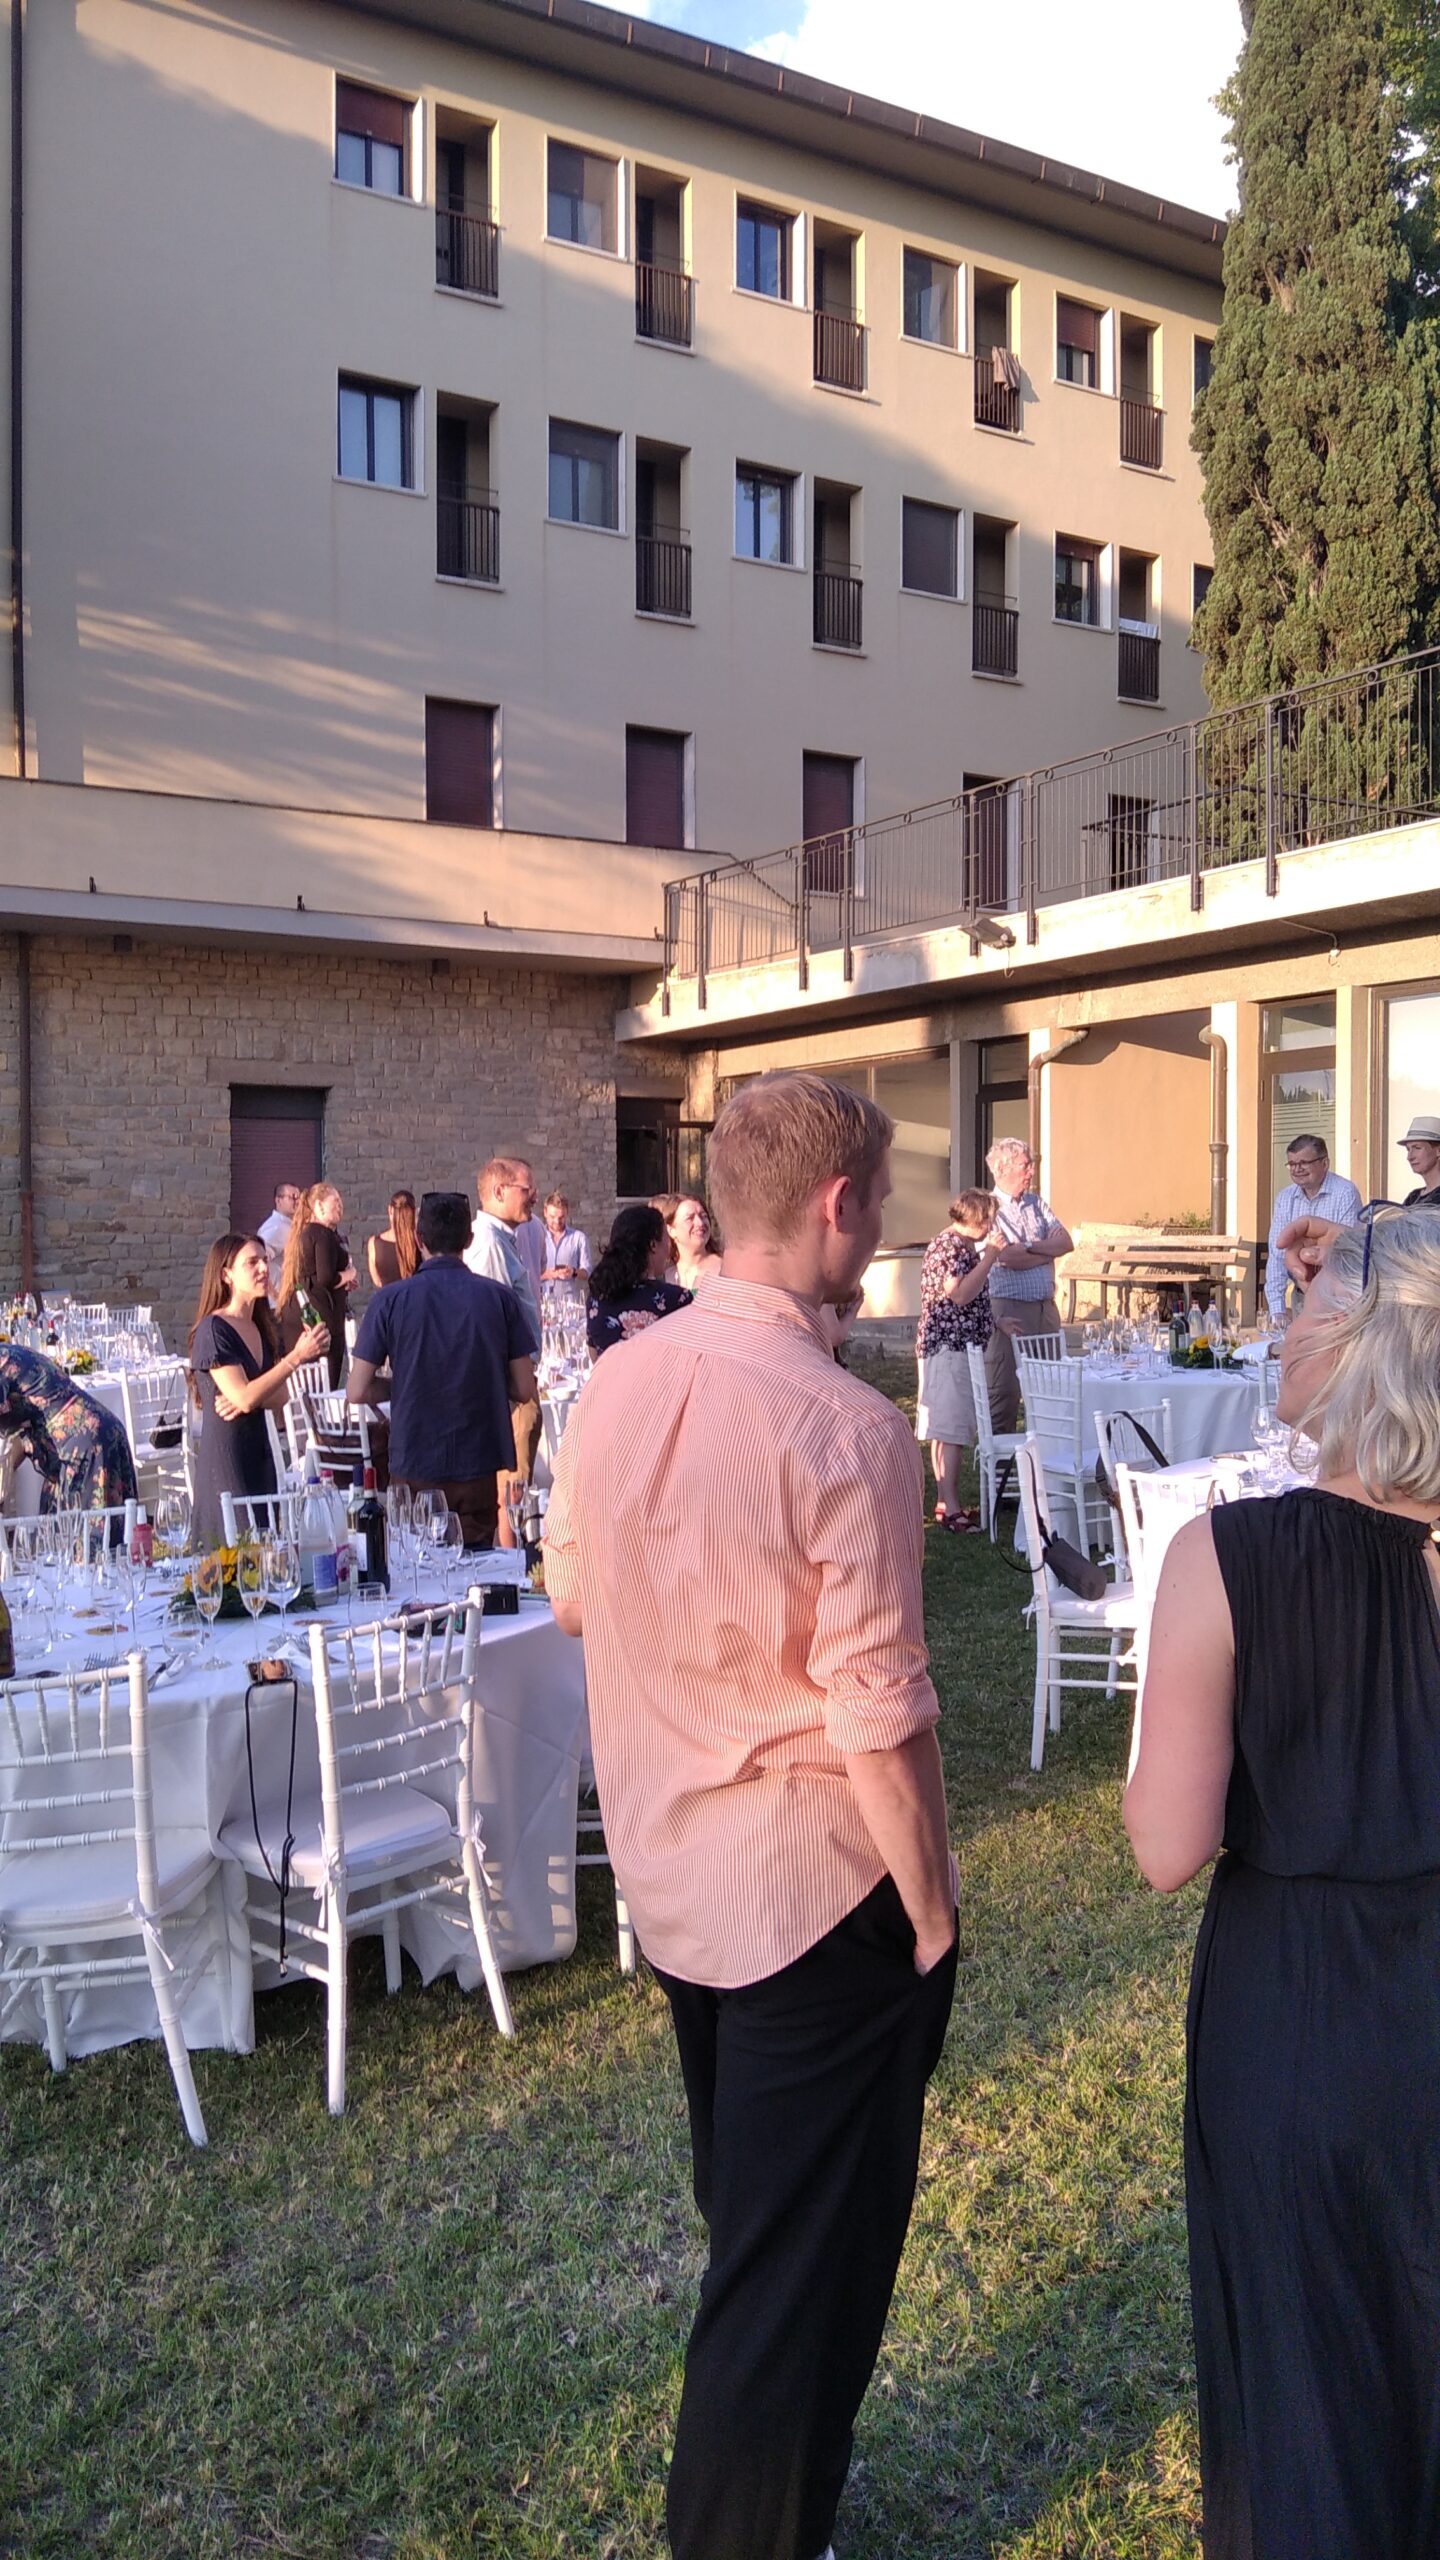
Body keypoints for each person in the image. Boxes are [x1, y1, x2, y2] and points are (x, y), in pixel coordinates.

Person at [546, 1069, 957, 2560]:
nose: (885, 1228)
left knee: (762, 2228)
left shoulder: (618, 1381)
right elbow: (880, 1715)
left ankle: (784, 2518)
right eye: (882, 1200)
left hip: (674, 1876)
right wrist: (935, 1915)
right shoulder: (848, 1428)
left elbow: (571, 1593)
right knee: (794, 2278)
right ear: (836, 1206)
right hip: (814, 1897)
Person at [1124, 1207, 1440, 2558]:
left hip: (1297, 2010)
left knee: (1306, 2380)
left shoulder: (1226, 1556)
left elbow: (1164, 1846)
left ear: (1364, 1343)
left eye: (1307, 1306)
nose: (1283, 1330)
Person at [348, 1191, 537, 1550]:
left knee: (417, 1563)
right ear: (469, 1239)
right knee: (475, 1562)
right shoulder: (500, 1298)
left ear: (418, 1238)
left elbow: (357, 1390)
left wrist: (405, 1384)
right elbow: (524, 1388)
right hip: (477, 1457)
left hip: (415, 1454)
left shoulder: (389, 1300)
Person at [189, 1233, 329, 1548]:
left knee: (265, 1552)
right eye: (252, 1262)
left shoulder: (260, 1325)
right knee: (233, 1552)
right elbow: (245, 1396)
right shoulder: (214, 1330)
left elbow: (279, 1397)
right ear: (226, 1275)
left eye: (265, 1260)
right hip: (226, 1461)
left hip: (259, 1455)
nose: (264, 1268)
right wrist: (295, 1358)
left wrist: (250, 1396)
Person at [915, 1188, 1004, 1532]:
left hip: (957, 1345)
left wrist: (996, 1322)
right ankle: (951, 1508)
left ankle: (945, 1502)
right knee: (950, 1428)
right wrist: (991, 1256)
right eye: (989, 1219)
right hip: (948, 1347)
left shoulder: (961, 1247)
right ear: (978, 1218)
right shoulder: (949, 1247)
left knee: (947, 1428)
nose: (992, 1225)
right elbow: (960, 1293)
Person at [463, 1156, 543, 1508]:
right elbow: (492, 1324)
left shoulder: (502, 1238)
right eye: (527, 1189)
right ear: (499, 1191)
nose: (534, 1197)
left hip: (515, 1383)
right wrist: (514, 1387)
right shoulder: (489, 1244)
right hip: (510, 1388)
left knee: (516, 1484)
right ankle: (511, 1544)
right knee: (512, 1488)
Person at [981, 1137, 1074, 1433]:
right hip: (1010, 1312)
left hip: (1045, 1311)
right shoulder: (988, 1209)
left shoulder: (1037, 1203)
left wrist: (1030, 1247)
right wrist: (1045, 1251)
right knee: (1004, 1391)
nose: (1031, 1171)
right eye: (1025, 1165)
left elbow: (1065, 1242)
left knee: (1053, 1391)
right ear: (1003, 1168)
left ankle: (1049, 1454)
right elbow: (1007, 1257)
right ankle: (1002, 1458)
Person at [0, 1345, 138, 1521]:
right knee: (60, 1532)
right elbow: (24, 1430)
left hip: (84, 1449)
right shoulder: (8, 1353)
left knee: (85, 1532)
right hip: (95, 1436)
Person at [1263, 1134, 1361, 1321]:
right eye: (1292, 1164)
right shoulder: (1285, 1198)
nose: (1297, 1169)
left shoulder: (1345, 1192)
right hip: (1301, 1295)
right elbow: (1277, 1254)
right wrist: (1277, 1311)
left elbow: (1346, 1249)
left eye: (1303, 1163)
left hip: (1338, 1297)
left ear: (1324, 1163)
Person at [276, 1182, 356, 1391]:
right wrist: (349, 1274)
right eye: (335, 1201)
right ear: (319, 1206)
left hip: (302, 1313)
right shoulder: (322, 1233)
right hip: (319, 1317)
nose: (340, 1206)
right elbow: (326, 1278)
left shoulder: (305, 1233)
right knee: (324, 1383)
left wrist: (344, 1282)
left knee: (305, 1385)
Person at [586, 1206, 691, 1358]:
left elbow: (594, 1356)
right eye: (666, 1239)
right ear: (653, 1245)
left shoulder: (597, 1298)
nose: (669, 1246)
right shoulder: (677, 1300)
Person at [653, 1192, 724, 1294]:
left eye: (703, 1216)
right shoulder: (662, 1274)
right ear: (671, 1230)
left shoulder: (725, 1269)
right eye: (690, 1218)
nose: (700, 1223)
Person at [366, 1189, 420, 1291]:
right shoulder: (420, 1242)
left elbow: (377, 1281)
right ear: (413, 1213)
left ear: (390, 1210)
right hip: (414, 1298)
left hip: (388, 1299)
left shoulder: (374, 1243)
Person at [257, 1180, 300, 1302]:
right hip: (277, 1302)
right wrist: (274, 1294)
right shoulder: (277, 1228)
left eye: (299, 1198)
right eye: (293, 1197)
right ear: (278, 1201)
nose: (297, 1202)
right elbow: (260, 1259)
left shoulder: (288, 1226)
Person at [541, 1190, 590, 1276]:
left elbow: (587, 1272)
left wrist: (573, 1272)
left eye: (561, 1217)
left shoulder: (579, 1238)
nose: (557, 1221)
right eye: (552, 1217)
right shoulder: (536, 1237)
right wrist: (547, 1275)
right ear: (545, 1213)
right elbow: (528, 1273)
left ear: (567, 1213)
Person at [1399, 1111, 1440, 1208]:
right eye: (1408, 1149)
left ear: (1438, 1151)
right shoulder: (1413, 1198)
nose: (1410, 1157)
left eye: (1417, 1148)